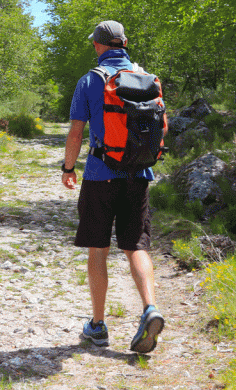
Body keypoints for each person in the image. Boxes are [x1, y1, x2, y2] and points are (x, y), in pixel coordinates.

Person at [61, 20, 166, 353]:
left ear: (98, 45)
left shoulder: (91, 80)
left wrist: (67, 167)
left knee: (98, 248)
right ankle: (150, 307)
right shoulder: (147, 78)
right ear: (124, 43)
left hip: (99, 175)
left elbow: (77, 133)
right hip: (139, 176)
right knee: (137, 245)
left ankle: (97, 325)